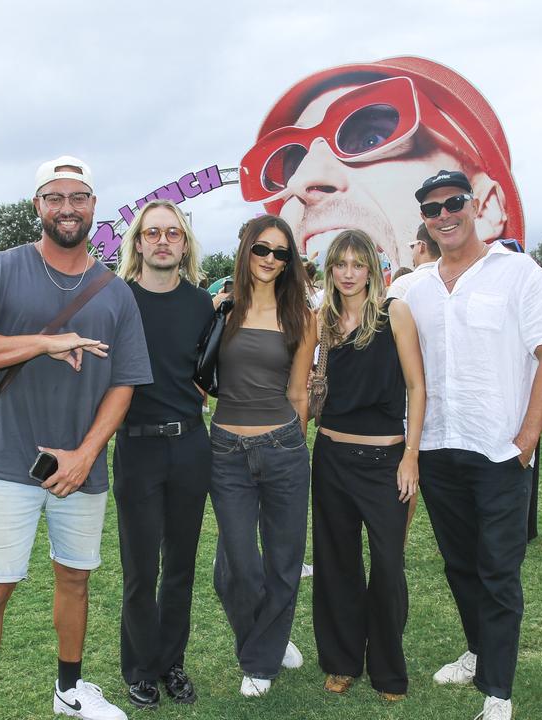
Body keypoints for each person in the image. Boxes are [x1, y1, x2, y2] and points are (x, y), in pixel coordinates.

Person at [0, 156, 151, 720]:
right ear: (38, 206)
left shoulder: (114, 290)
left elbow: (125, 382)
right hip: (11, 459)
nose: (66, 208)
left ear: (94, 207)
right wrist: (40, 343)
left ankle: (68, 692)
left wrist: (85, 455)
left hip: (81, 465)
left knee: (75, 579)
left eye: (77, 197)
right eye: (54, 197)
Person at [399, 170, 542, 720]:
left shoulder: (520, 273)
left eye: (453, 203)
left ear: (473, 207)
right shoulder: (413, 289)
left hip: (500, 451)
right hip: (438, 445)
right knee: (459, 564)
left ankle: (498, 691)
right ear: (423, 219)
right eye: (432, 208)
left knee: (498, 568)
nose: (444, 215)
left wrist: (527, 438)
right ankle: (477, 651)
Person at [241, 57, 525, 273]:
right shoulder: (306, 322)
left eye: (369, 139)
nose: (302, 179)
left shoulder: (517, 284)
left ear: (485, 208)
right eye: (294, 163)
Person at [106, 200, 213, 709]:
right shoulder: (118, 299)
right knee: (140, 567)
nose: (163, 241)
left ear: (184, 243)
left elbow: (211, 375)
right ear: (139, 242)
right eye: (154, 233)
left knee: (181, 567)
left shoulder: (201, 305)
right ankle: (140, 667)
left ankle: (172, 662)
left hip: (192, 445)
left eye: (173, 233)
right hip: (137, 446)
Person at [311, 229, 425, 702]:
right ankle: (341, 661)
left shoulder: (394, 313)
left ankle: (388, 669)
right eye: (341, 264)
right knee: (335, 564)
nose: (349, 273)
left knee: (387, 566)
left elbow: (417, 388)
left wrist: (411, 457)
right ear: (330, 269)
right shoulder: (323, 319)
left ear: (373, 269)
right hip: (332, 456)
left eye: (358, 264)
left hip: (385, 461)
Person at [207, 214, 316, 699]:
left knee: (283, 560)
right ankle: (270, 638)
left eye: (281, 253)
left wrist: (299, 446)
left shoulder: (301, 318)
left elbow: (298, 393)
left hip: (283, 447)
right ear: (247, 248)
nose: (271, 259)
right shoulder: (220, 310)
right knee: (237, 567)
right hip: (226, 450)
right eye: (263, 249)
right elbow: (197, 375)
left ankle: (260, 658)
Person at [386, 224, 441, 300]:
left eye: (412, 246)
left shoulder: (402, 286)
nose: (411, 251)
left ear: (421, 246)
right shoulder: (458, 281)